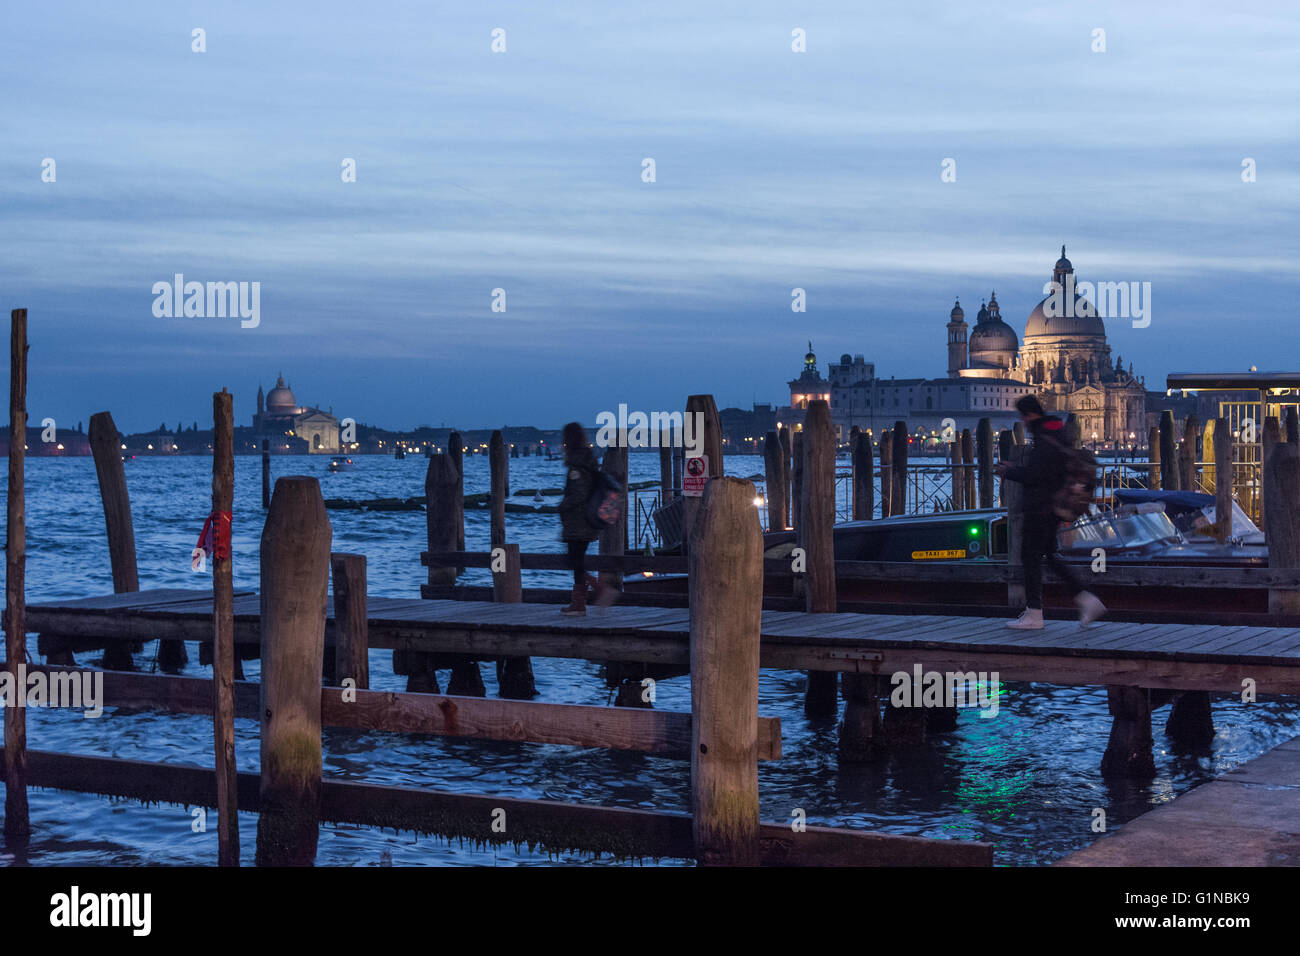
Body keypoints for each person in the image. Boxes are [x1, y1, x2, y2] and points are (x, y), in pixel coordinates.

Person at [995, 395, 1105, 629]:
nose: (1023, 421)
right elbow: (1046, 471)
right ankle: (1087, 599)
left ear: (1030, 415)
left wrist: (1009, 472)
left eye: (1023, 416)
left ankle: (1035, 613)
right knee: (1049, 556)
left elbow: (1037, 475)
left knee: (1030, 557)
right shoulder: (1057, 434)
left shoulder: (1044, 439)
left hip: (1042, 508)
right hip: (1054, 507)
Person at [557, 422, 617, 616]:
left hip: (578, 522)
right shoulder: (587, 461)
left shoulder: (578, 466)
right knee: (576, 561)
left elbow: (578, 494)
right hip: (585, 521)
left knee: (575, 561)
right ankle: (580, 603)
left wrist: (561, 506)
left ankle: (597, 592)